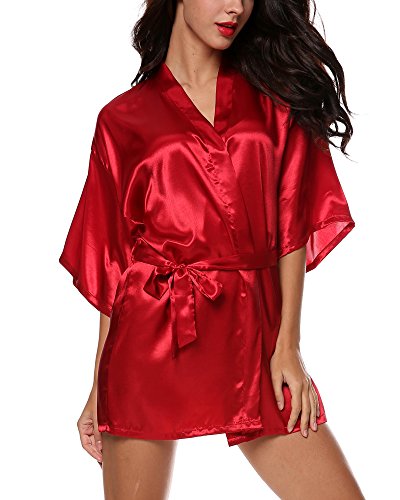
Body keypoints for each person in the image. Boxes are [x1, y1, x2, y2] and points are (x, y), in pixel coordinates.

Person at [58, 0, 365, 498]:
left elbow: (291, 223)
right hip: (148, 337)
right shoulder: (120, 118)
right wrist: (98, 385)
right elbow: (115, 261)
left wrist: (287, 346)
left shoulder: (275, 101)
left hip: (253, 331)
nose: (235, 8)